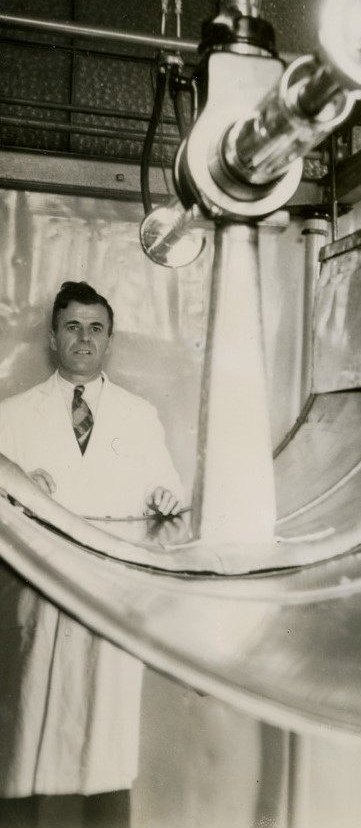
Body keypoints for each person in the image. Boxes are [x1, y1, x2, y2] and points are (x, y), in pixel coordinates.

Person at [0, 281, 185, 827]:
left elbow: (170, 495)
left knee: (104, 752)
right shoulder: (10, 414)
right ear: (54, 338)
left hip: (110, 601)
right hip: (36, 595)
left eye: (95, 327)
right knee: (24, 741)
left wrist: (165, 500)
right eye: (72, 326)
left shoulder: (140, 415)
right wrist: (16, 489)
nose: (84, 337)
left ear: (110, 340)